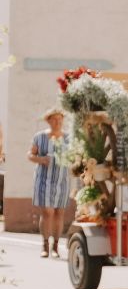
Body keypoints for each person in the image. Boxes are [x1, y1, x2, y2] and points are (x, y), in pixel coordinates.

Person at [29, 107, 73, 258]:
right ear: (48, 121)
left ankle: (55, 247)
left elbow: (75, 156)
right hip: (44, 180)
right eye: (54, 119)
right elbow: (30, 154)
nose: (57, 122)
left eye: (60, 119)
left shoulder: (69, 138)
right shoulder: (40, 137)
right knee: (47, 212)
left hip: (62, 181)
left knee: (59, 213)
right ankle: (45, 245)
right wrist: (40, 159)